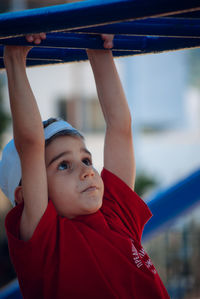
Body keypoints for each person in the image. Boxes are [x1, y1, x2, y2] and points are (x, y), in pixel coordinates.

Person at [0, 33, 170, 298]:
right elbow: (31, 143)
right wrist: (14, 58)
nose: (88, 171)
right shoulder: (44, 243)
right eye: (63, 166)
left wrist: (99, 48)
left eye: (86, 159)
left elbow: (120, 127)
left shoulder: (116, 216)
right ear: (26, 195)